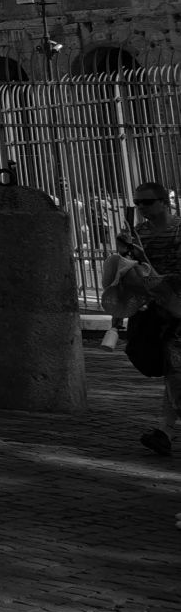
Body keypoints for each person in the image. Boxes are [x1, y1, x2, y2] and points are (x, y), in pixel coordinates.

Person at [102, 180, 181, 457]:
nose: (141, 208)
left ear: (164, 202)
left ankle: (166, 432)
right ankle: (165, 432)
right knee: (173, 371)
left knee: (176, 371)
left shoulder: (179, 231)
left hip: (177, 307)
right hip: (159, 313)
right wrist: (126, 255)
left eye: (147, 202)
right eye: (137, 203)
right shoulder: (138, 235)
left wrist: (146, 264)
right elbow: (126, 275)